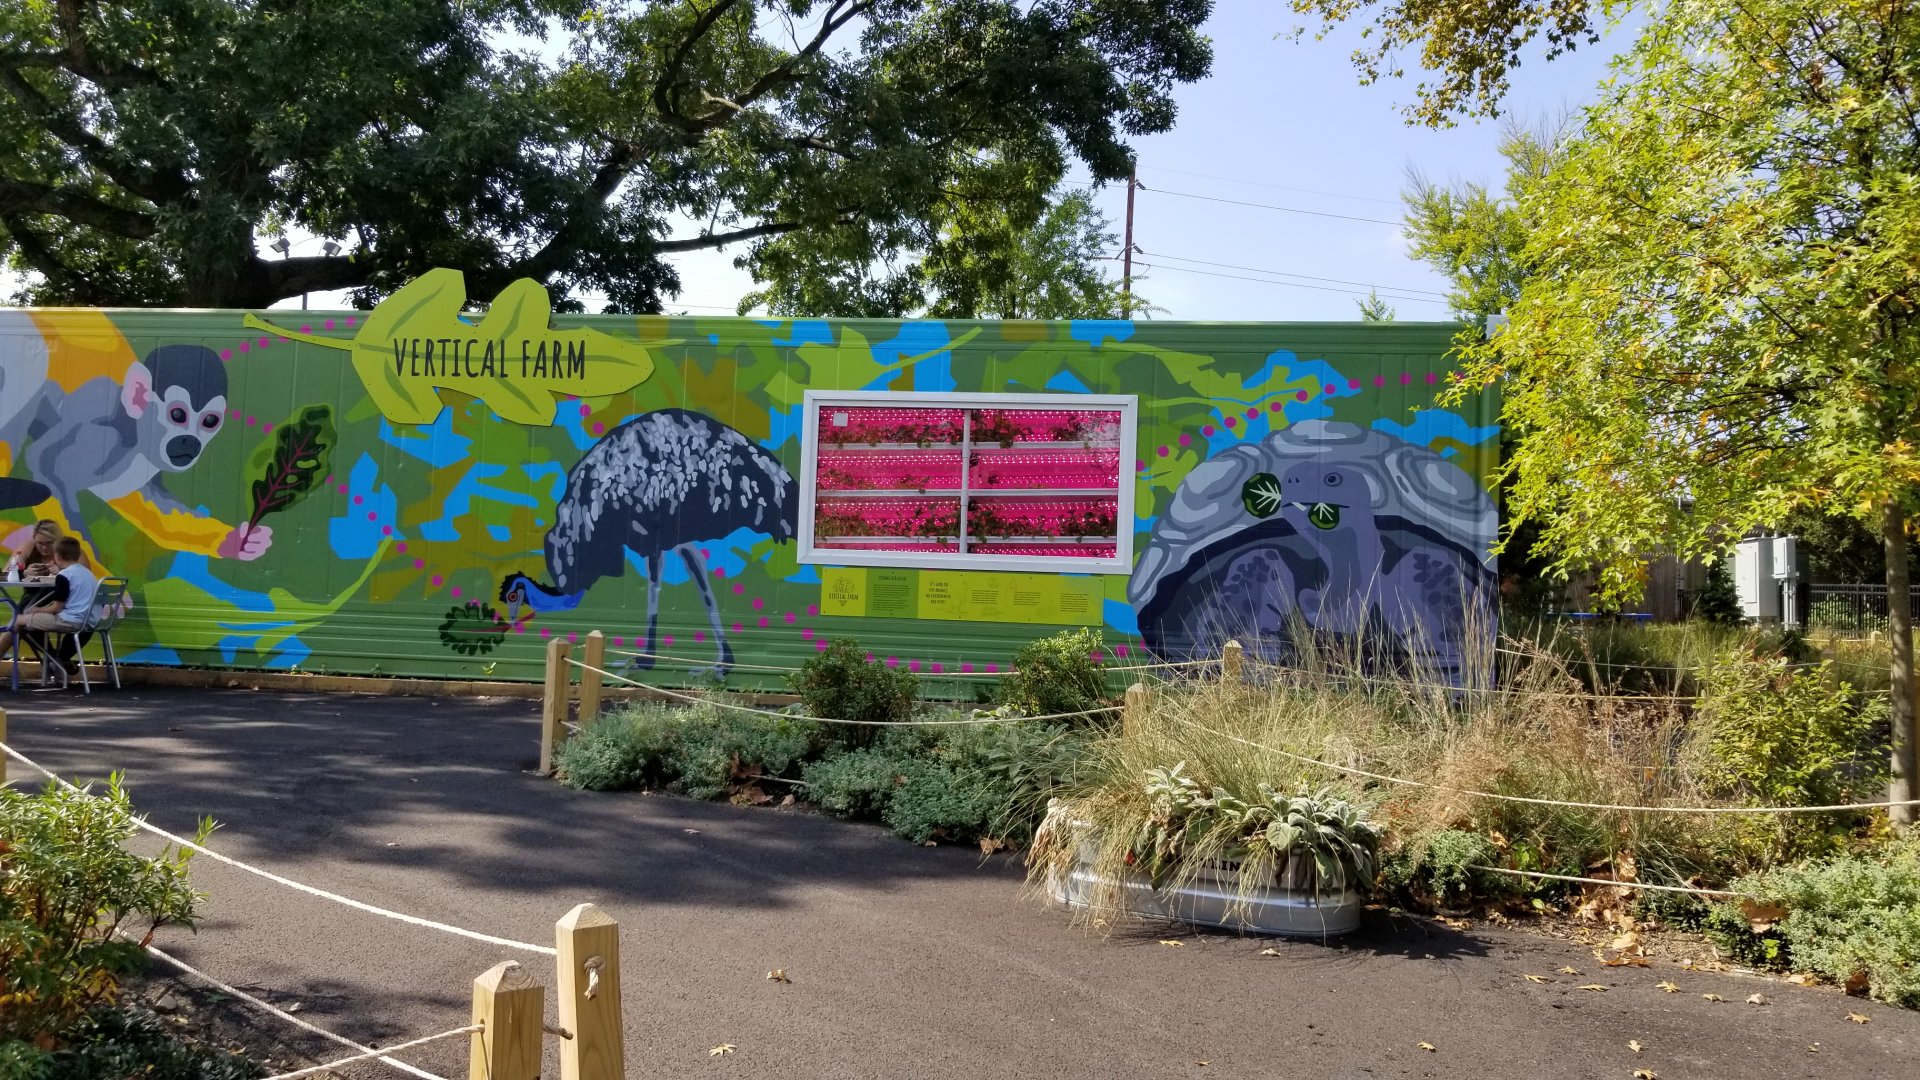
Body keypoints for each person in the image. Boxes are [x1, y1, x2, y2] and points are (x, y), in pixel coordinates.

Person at [0, 536, 98, 685]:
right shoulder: (88, 574)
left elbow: (56, 608)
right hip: (87, 621)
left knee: (20, 619)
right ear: (78, 555)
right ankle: (56, 661)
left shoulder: (64, 576)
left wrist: (37, 609)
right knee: (28, 620)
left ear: (57, 556)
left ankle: (19, 677)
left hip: (69, 620)